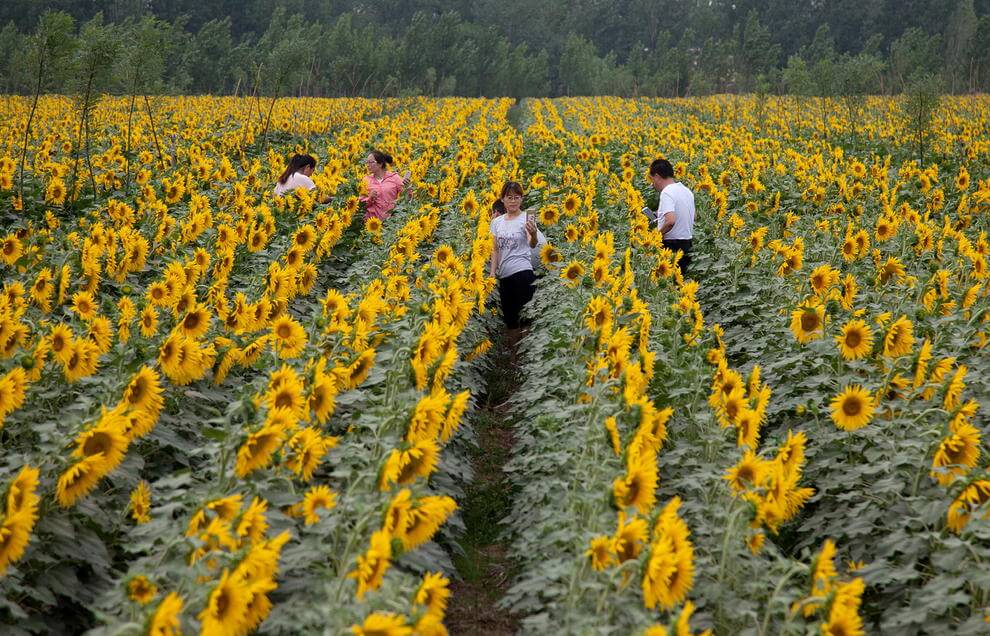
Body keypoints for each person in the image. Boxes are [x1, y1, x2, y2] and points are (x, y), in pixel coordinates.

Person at [489, 181, 547, 332]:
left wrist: (534, 234)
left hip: (523, 273)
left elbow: (532, 243)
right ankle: (515, 356)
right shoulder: (496, 222)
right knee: (511, 323)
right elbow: (495, 249)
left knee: (526, 321)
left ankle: (525, 354)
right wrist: (492, 272)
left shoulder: (527, 218)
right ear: (502, 199)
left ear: (521, 199)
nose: (513, 201)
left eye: (516, 197)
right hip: (505, 276)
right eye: (509, 197)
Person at [649, 158, 695, 276]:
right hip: (687, 243)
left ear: (658, 176)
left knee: (668, 283)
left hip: (672, 245)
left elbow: (670, 221)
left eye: (652, 179)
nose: (652, 183)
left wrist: (656, 236)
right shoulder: (686, 191)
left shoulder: (667, 192)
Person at [361, 150, 410, 220]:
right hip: (372, 223)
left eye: (371, 162)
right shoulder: (366, 180)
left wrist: (407, 187)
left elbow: (407, 198)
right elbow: (361, 204)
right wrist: (370, 198)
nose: (368, 165)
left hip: (390, 223)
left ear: (380, 164)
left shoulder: (394, 177)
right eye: (367, 162)